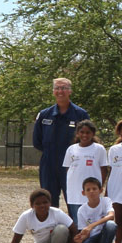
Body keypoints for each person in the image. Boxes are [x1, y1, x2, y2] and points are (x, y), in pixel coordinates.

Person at [32, 77, 89, 208]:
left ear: (70, 91)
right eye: (57, 88)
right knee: (48, 199)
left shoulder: (80, 114)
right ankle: (51, 228)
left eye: (63, 88)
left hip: (73, 164)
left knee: (74, 200)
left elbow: (87, 138)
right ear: (53, 92)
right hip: (49, 163)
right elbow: (37, 141)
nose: (60, 91)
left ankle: (76, 227)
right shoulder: (45, 115)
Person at [3, 188, 74, 243]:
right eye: (38, 203)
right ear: (32, 205)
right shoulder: (26, 216)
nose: (42, 206)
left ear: (50, 203)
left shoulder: (57, 213)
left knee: (61, 229)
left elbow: (74, 230)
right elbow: (16, 239)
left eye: (45, 202)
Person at [62, 120, 107, 223]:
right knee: (77, 222)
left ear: (93, 134)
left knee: (92, 222)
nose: (84, 135)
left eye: (88, 132)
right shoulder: (71, 149)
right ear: (77, 133)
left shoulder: (99, 149)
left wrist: (99, 187)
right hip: (74, 193)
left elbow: (104, 169)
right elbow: (68, 168)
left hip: (91, 192)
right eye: (82, 132)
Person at [71, 177, 116, 243]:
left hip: (103, 235)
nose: (92, 191)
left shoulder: (106, 201)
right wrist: (81, 237)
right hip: (91, 237)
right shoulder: (81, 210)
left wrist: (91, 225)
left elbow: (111, 216)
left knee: (111, 225)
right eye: (88, 189)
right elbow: (85, 232)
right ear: (83, 193)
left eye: (94, 189)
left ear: (100, 190)